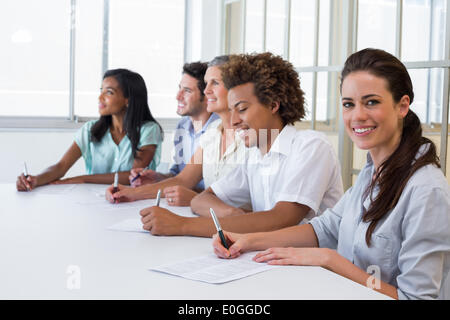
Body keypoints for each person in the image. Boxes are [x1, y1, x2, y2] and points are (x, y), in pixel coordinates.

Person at [213, 48, 450, 300]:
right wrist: (247, 240)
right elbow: (325, 228)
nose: (357, 115)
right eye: (349, 104)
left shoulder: (426, 190)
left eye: (372, 102)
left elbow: (416, 298)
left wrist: (330, 259)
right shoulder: (374, 172)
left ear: (402, 106)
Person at [136, 52, 343, 236]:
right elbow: (201, 200)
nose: (234, 121)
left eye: (242, 109)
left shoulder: (311, 146)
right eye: (232, 110)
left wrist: (182, 225)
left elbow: (281, 219)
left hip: (316, 270)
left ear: (273, 104)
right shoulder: (255, 155)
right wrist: (233, 214)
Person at [106, 56, 247, 207]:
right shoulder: (213, 131)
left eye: (215, 83)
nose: (206, 91)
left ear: (236, 89)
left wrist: (194, 199)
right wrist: (130, 192)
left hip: (232, 224)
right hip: (206, 216)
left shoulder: (253, 136)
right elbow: (183, 179)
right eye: (206, 84)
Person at [16, 68, 163, 191]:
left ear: (128, 100)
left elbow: (132, 176)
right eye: (101, 91)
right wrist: (35, 179)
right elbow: (61, 166)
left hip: (134, 201)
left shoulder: (149, 130)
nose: (100, 97)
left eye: (109, 92)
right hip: (92, 200)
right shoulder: (89, 130)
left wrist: (83, 179)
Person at [129, 62, 220, 191]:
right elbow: (177, 174)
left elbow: (220, 190)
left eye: (187, 91)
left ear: (206, 96)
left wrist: (132, 193)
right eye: (179, 88)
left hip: (205, 205)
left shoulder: (220, 129)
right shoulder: (182, 126)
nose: (178, 96)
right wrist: (157, 177)